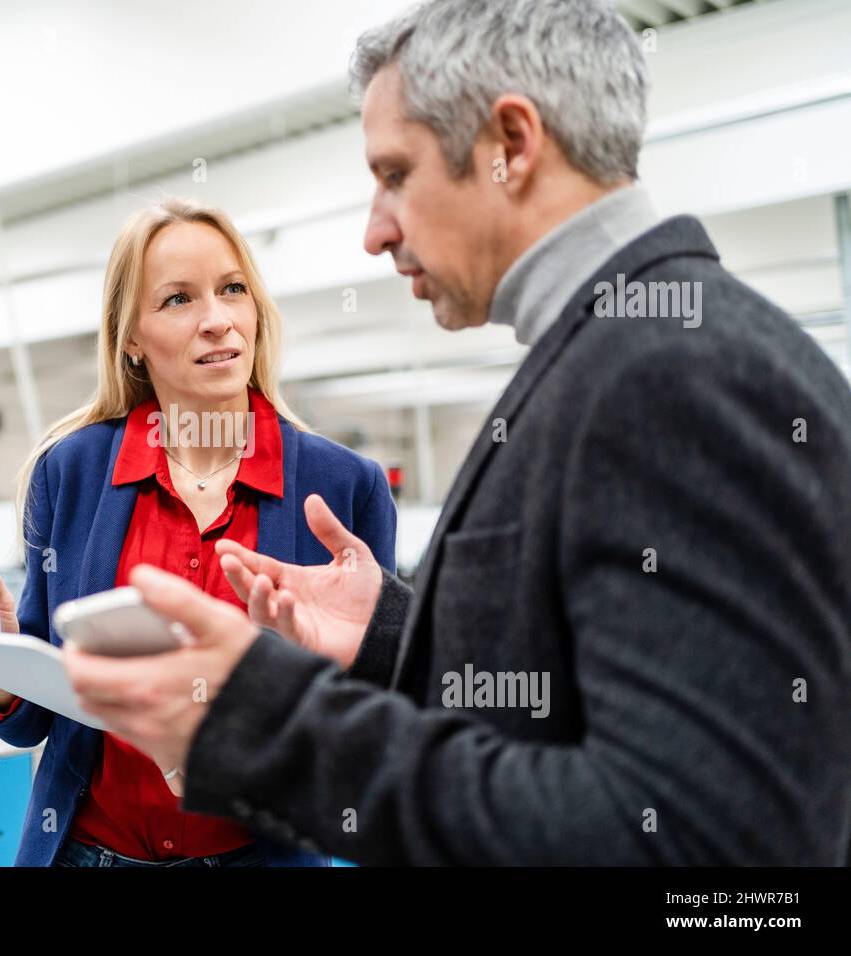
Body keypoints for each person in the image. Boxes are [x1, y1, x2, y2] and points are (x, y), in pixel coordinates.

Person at [63, 0, 851, 865]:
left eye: (395, 174)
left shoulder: (670, 375)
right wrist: (391, 632)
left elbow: (696, 851)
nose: (375, 231)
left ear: (510, 146)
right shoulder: (620, 351)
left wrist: (269, 720)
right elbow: (570, 715)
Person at [0, 197, 396, 867]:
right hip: (86, 852)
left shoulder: (343, 486)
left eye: (233, 289)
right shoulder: (72, 472)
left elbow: (377, 723)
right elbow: (35, 717)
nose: (217, 320)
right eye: (178, 299)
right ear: (132, 340)